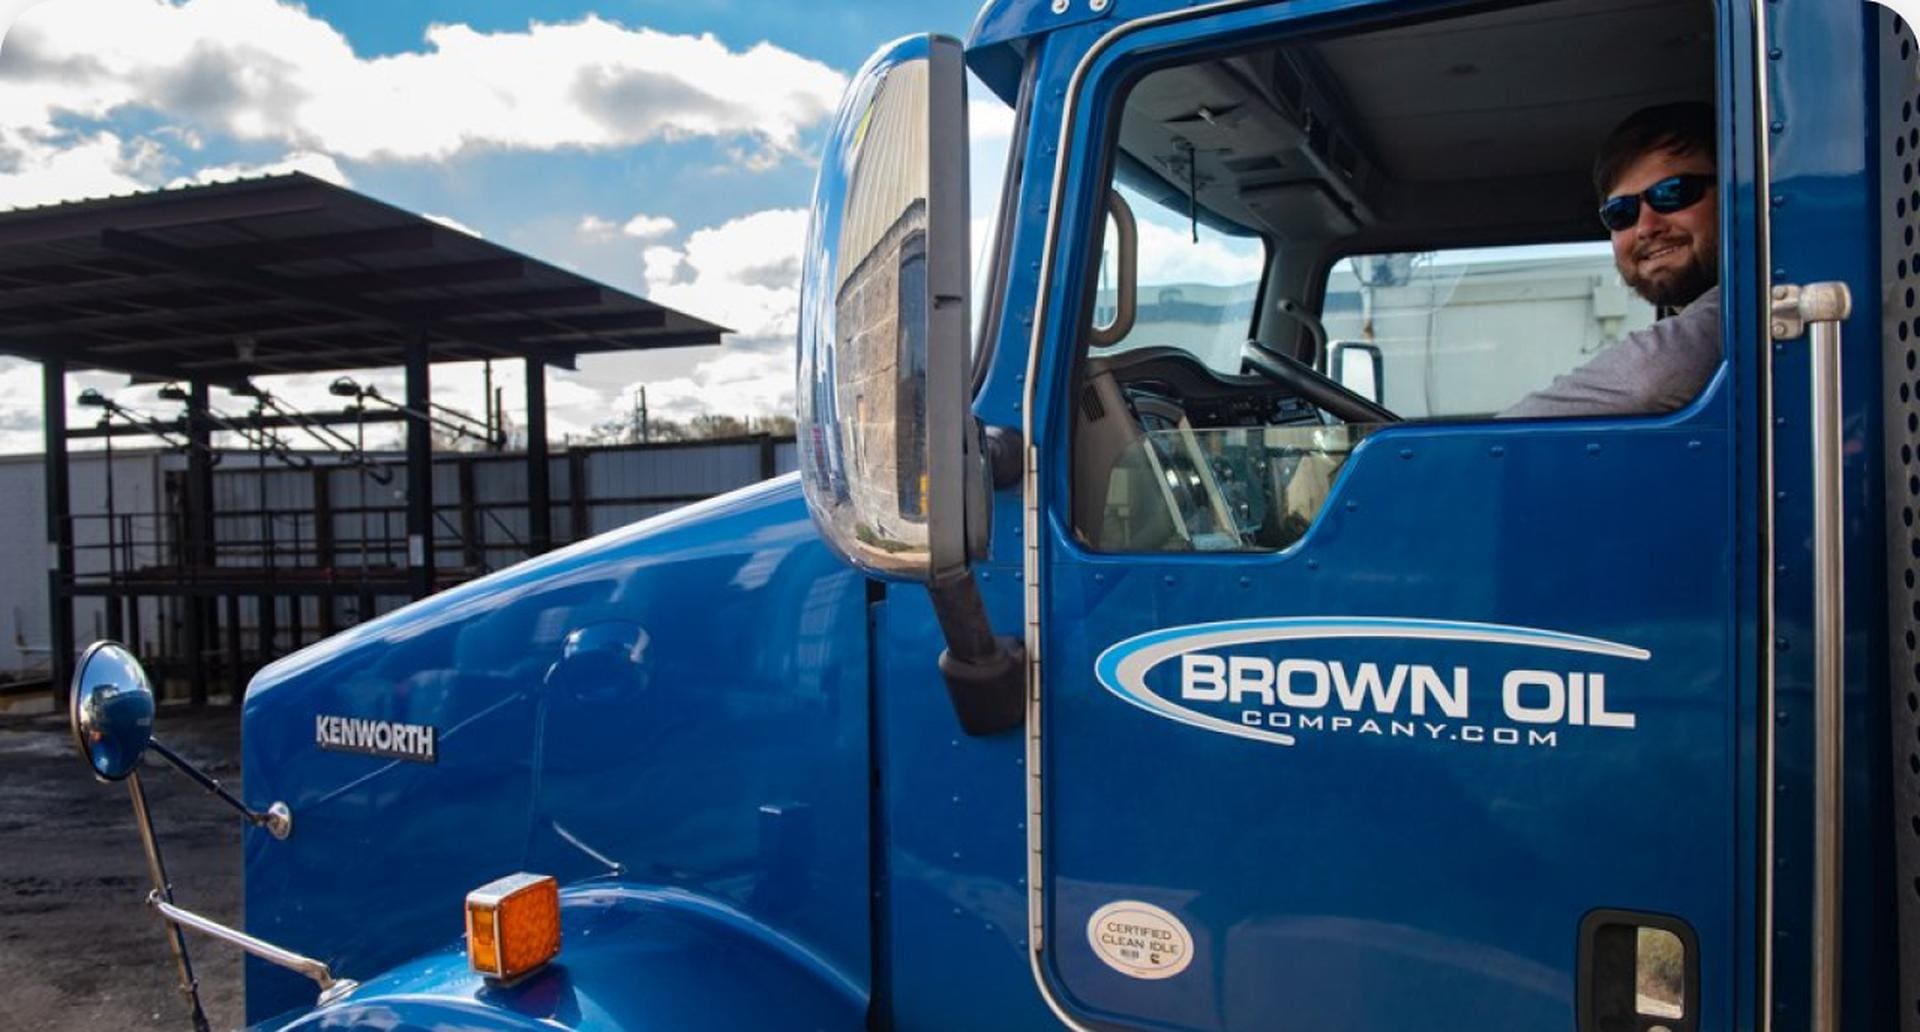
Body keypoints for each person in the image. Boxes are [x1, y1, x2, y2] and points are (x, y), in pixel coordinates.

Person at [1503, 102, 1720, 418]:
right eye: (1622, 212)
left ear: (1735, 192)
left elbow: (1650, 378)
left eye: (1672, 192)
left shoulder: (1751, 305)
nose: (1646, 227)